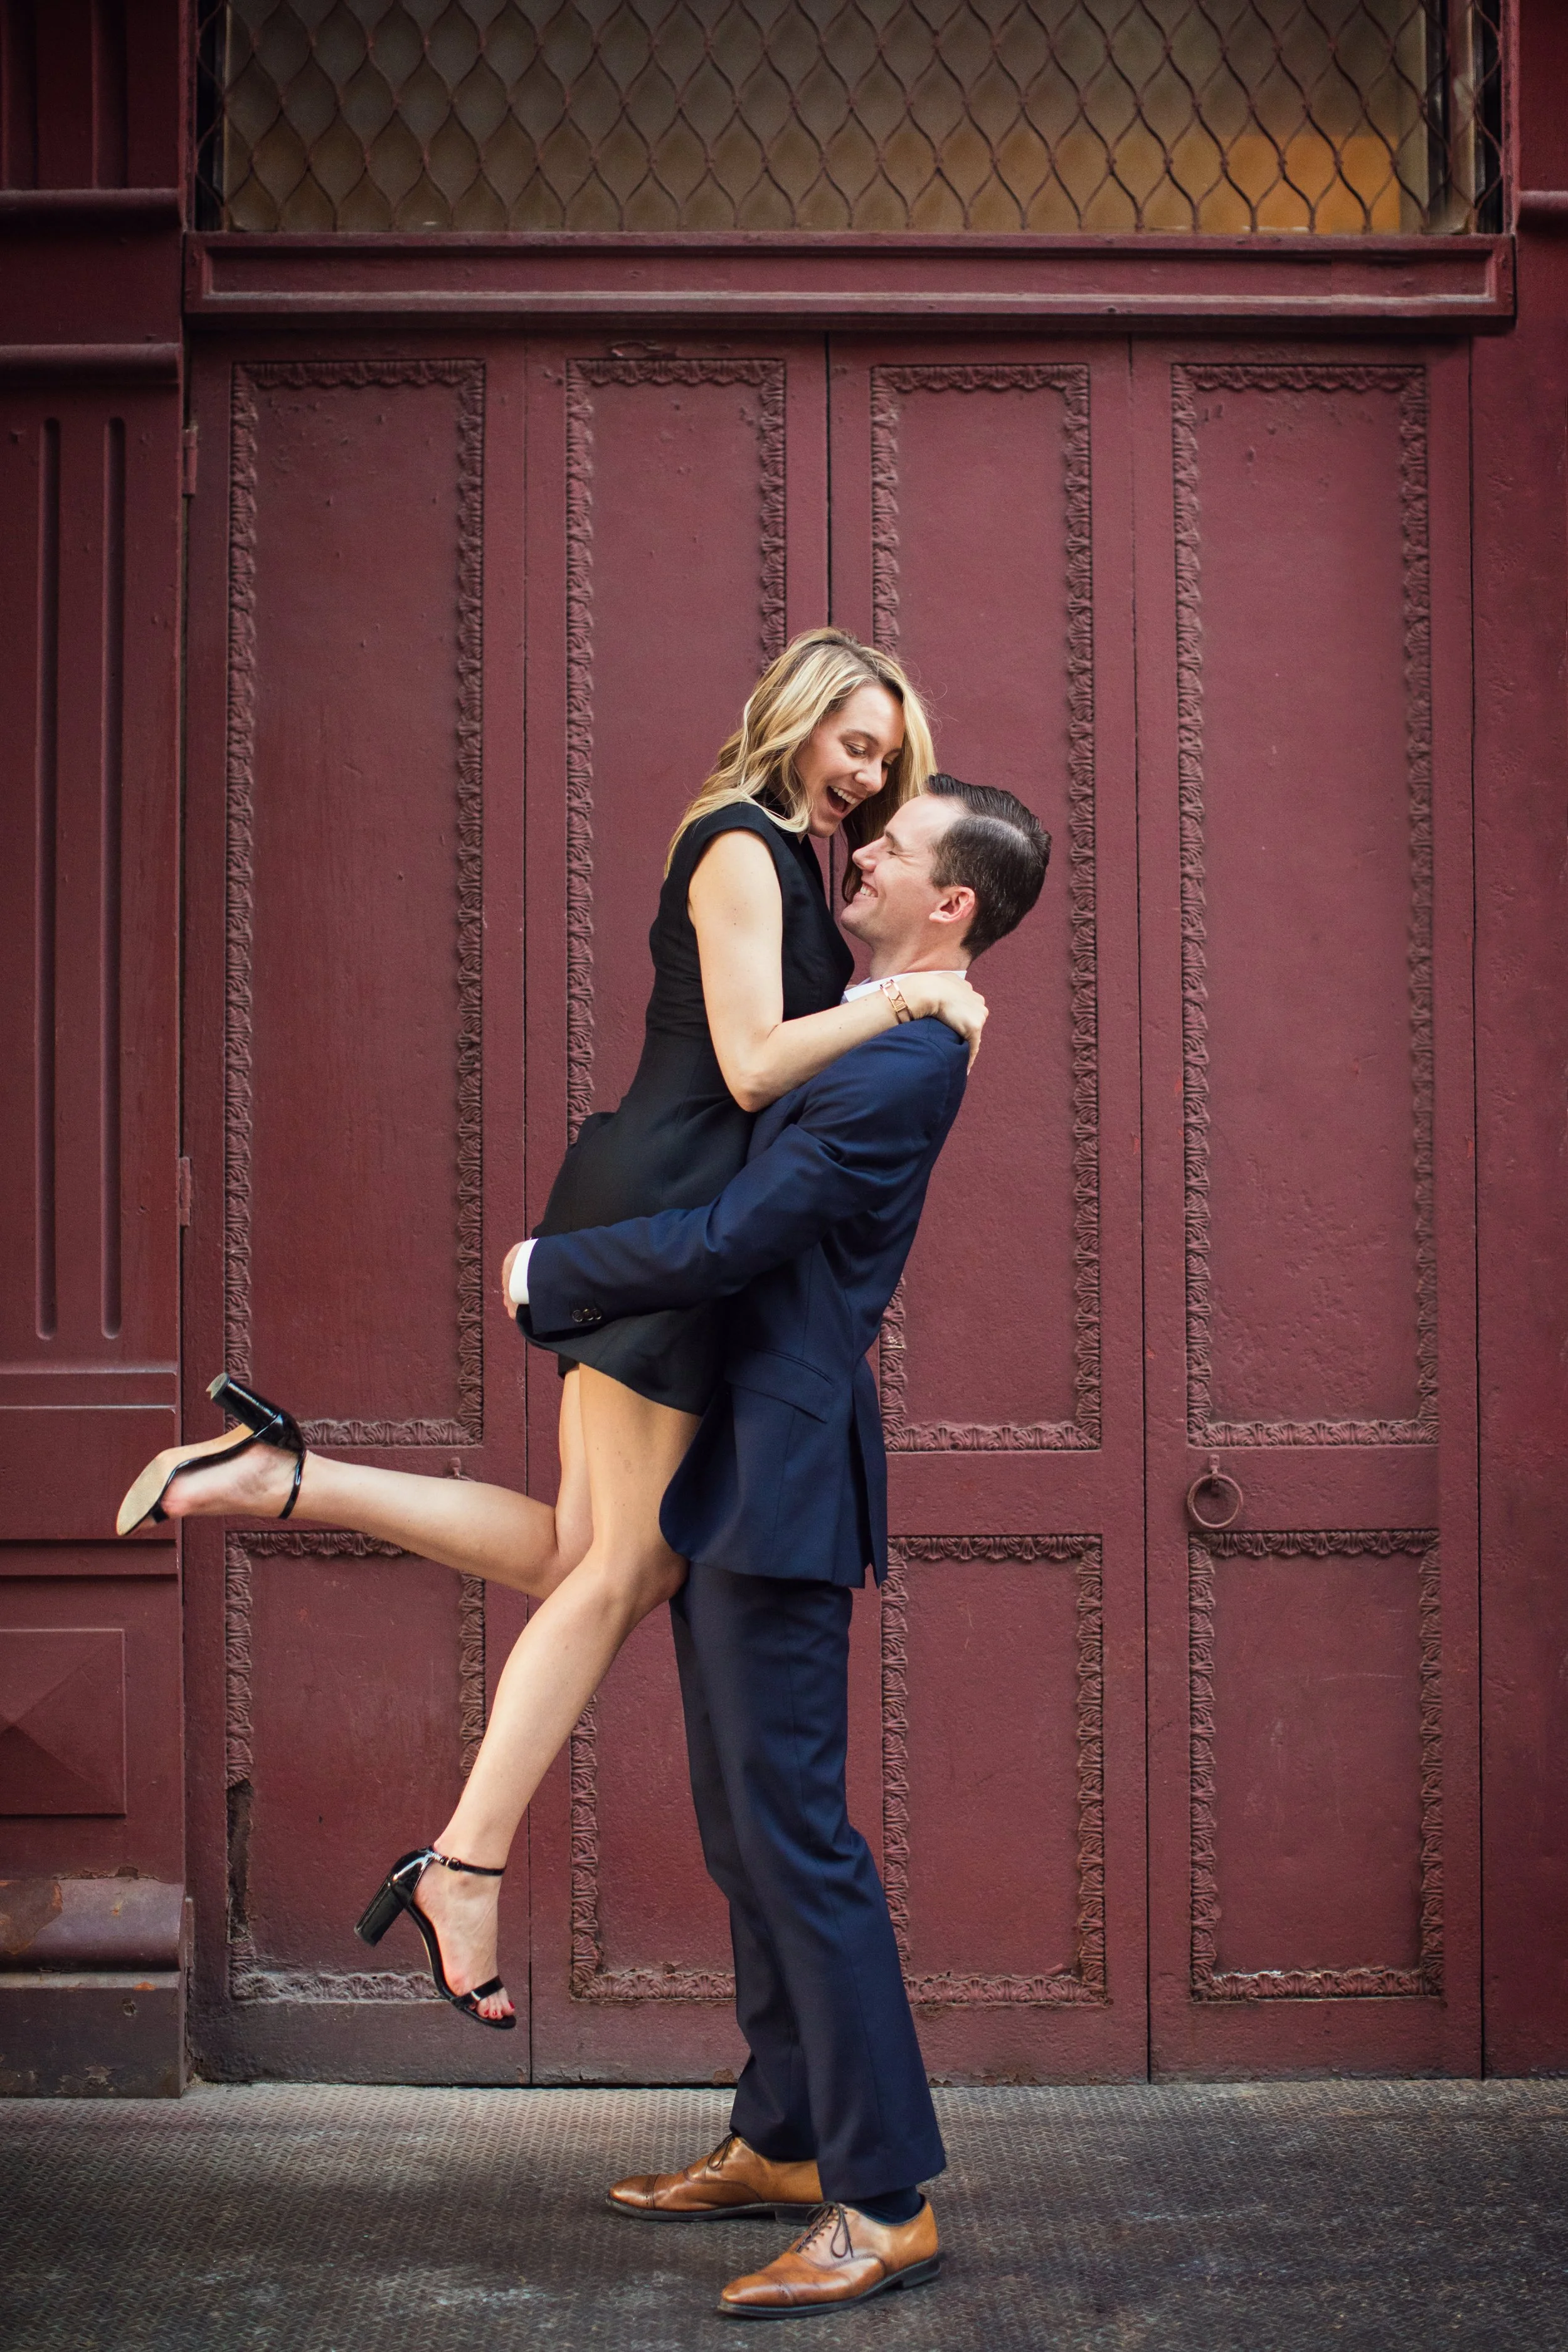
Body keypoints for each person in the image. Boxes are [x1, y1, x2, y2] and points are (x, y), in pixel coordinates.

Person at [114, 630, 985, 2028]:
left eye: (887, 756)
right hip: (668, 1211)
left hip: (665, 1203)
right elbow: (756, 1061)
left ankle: (285, 1474)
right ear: (794, 718)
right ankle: (463, 1863)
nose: (866, 774)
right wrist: (914, 992)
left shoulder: (782, 853)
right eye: (852, 741)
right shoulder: (741, 847)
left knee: (584, 1553)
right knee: (626, 1569)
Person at [508, 777, 1050, 2320]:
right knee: (745, 1829)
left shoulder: (900, 1064)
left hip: (784, 1474)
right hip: (734, 1458)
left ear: (953, 906)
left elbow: (744, 1234)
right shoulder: (873, 1020)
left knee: (797, 1837)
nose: (860, 847)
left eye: (895, 843)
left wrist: (560, 1267)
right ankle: (782, 2134)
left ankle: (883, 2198)